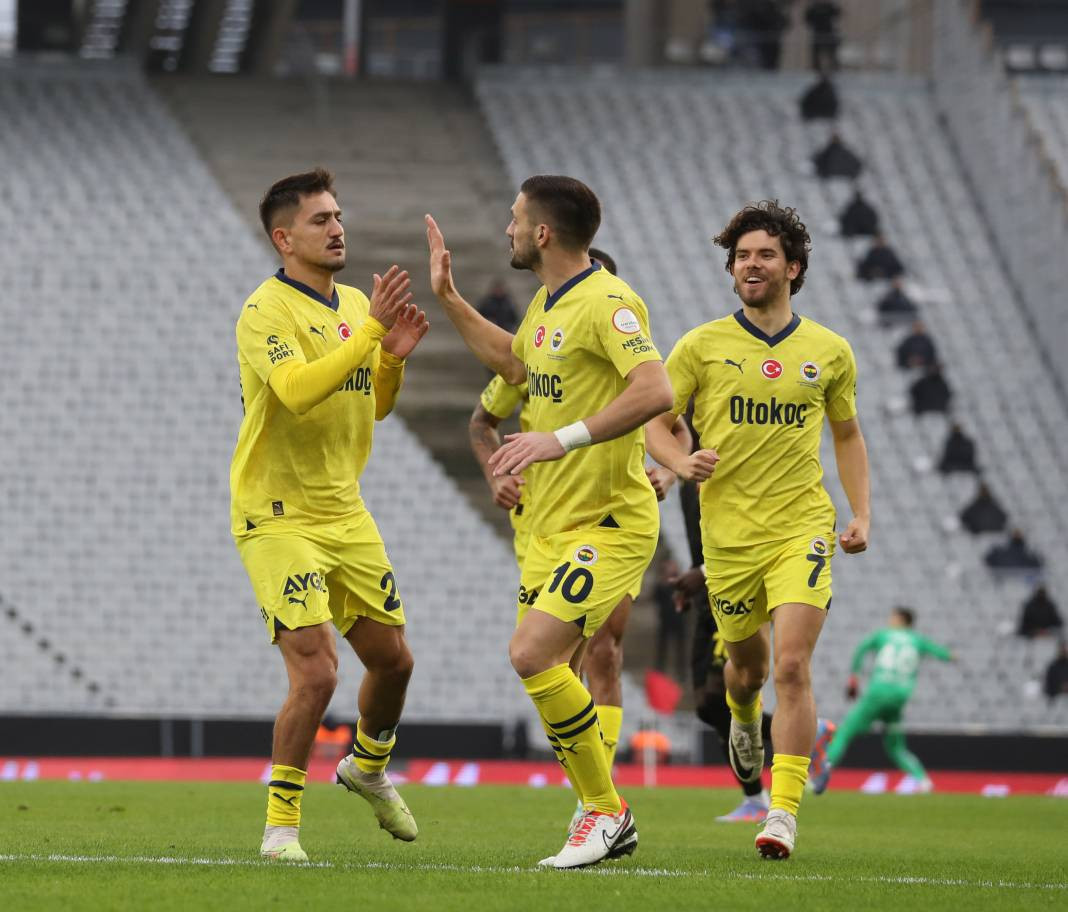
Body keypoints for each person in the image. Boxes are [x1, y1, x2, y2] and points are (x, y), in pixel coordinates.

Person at [427, 175, 674, 869]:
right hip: (544, 531)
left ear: (542, 232)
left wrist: (557, 439)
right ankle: (596, 805)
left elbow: (656, 388)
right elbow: (513, 362)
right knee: (545, 668)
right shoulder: (544, 306)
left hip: (609, 523)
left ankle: (605, 812)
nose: (506, 229)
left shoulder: (609, 301)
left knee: (532, 654)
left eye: (514, 219)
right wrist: (447, 297)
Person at [646, 200, 871, 860]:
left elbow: (849, 435)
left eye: (764, 254)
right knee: (746, 673)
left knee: (793, 665)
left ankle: (783, 813)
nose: (751, 264)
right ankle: (745, 721)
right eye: (742, 255)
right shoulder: (702, 345)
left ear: (792, 267)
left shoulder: (828, 351)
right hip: (728, 539)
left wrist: (859, 515)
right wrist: (679, 459)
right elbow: (655, 416)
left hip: (801, 526)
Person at [231, 168, 429, 862]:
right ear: (284, 238)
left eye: (339, 215)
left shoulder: (351, 302)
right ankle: (280, 828)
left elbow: (367, 402)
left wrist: (391, 363)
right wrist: (371, 328)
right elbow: (295, 390)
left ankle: (368, 767)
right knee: (317, 673)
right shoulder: (265, 312)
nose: (338, 227)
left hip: (344, 512)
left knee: (394, 661)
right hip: (276, 514)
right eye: (320, 219)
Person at [809, 608, 953, 795]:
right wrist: (954, 656)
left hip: (878, 693)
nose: (890, 620)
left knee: (843, 733)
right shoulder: (918, 640)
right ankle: (923, 780)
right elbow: (941, 653)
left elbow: (862, 648)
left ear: (901, 620)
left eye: (893, 617)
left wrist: (854, 676)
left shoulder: (885, 635)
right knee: (895, 746)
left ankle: (819, 775)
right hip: (899, 697)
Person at [654, 557, 686, 680]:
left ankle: (681, 672)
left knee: (680, 647)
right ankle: (660, 671)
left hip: (679, 620)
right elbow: (656, 597)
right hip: (665, 620)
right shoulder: (662, 584)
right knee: (662, 647)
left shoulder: (680, 582)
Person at [805, 1, 842, 72]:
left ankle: (833, 69)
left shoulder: (829, 6)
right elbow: (808, 18)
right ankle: (816, 70)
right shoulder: (814, 7)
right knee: (816, 55)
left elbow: (837, 14)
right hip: (818, 32)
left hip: (828, 32)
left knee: (831, 54)